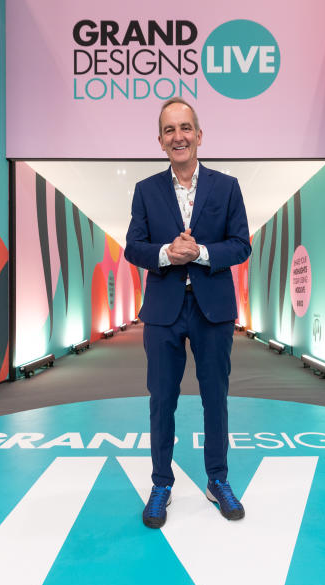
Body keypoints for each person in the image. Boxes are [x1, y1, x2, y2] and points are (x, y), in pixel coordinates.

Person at [124, 97, 251, 529]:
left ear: (199, 135)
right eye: (169, 130)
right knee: (162, 400)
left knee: (215, 398)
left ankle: (218, 480)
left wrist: (200, 252)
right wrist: (166, 253)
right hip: (164, 311)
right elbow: (133, 246)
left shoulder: (226, 186)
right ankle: (162, 484)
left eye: (185, 128)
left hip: (212, 309)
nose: (178, 136)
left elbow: (240, 244)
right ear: (160, 141)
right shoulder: (145, 190)